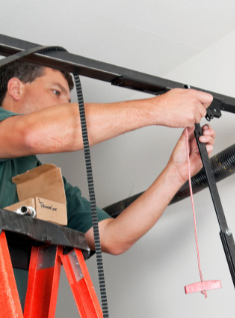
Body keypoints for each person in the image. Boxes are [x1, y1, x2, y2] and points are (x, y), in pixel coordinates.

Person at [0, 61, 215, 305]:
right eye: (56, 92)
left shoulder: (44, 181)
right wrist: (159, 108)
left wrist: (176, 173)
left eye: (68, 102)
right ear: (16, 88)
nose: (63, 106)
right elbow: (31, 134)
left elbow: (114, 237)